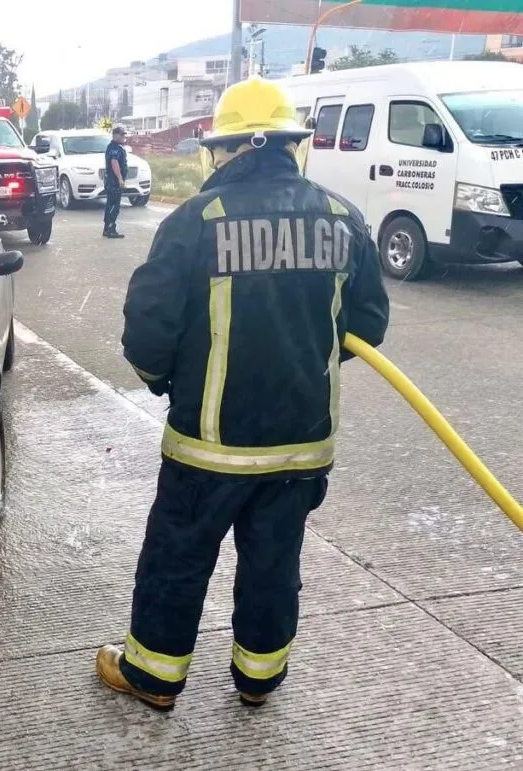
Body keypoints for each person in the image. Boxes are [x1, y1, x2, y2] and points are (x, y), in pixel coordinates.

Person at [96, 77, 390, 711]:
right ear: (291, 146)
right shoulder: (344, 218)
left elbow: (147, 328)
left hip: (209, 448)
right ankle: (259, 680)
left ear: (224, 149)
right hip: (302, 445)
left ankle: (153, 677)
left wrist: (166, 381)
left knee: (178, 556)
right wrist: (302, 354)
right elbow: (368, 326)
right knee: (274, 564)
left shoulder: (196, 221)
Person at [103, 125, 129, 239]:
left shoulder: (115, 147)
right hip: (114, 182)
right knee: (114, 206)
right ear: (115, 135)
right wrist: (120, 178)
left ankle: (106, 228)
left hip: (112, 181)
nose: (123, 137)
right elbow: (114, 163)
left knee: (110, 204)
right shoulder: (114, 148)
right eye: (121, 134)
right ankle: (110, 229)